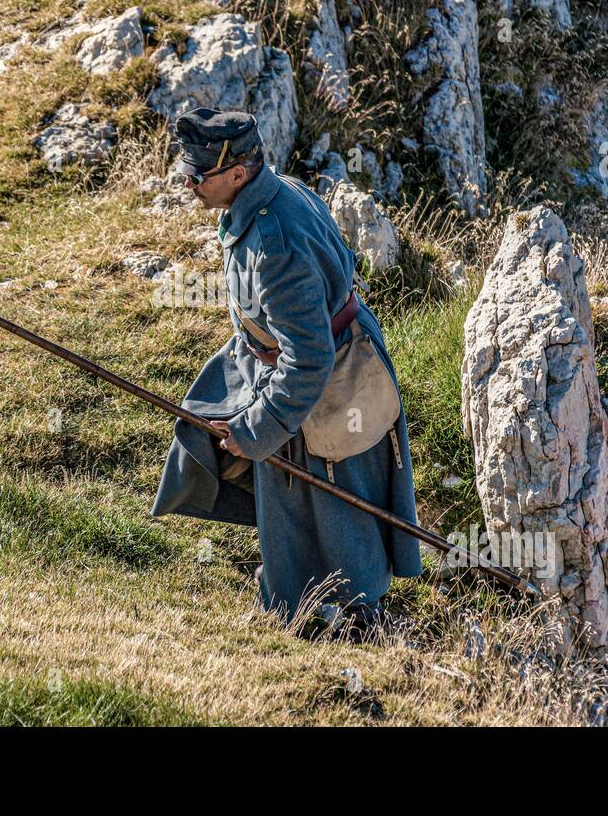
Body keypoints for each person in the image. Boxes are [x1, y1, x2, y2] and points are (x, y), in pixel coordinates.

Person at [151, 107, 422, 634]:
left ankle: (345, 615)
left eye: (198, 175)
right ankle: (304, 593)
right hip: (299, 358)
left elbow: (309, 359)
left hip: (328, 382)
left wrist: (257, 429)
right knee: (293, 492)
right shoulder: (276, 191)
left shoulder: (276, 248)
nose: (188, 184)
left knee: (331, 496)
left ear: (237, 173)